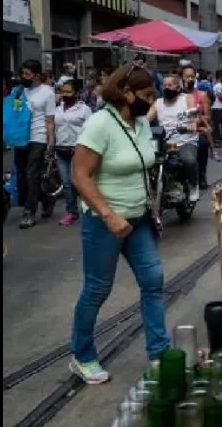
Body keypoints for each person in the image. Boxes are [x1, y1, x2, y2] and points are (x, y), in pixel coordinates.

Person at [69, 62, 170, 384]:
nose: (151, 100)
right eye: (146, 94)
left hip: (137, 219)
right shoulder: (100, 124)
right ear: (125, 93)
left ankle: (160, 352)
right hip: (105, 222)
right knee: (97, 289)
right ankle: (82, 356)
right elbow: (79, 177)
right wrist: (109, 215)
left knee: (153, 280)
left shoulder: (140, 122)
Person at [14, 59, 57, 229]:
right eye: (22, 73)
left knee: (32, 174)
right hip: (21, 137)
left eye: (27, 74)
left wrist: (50, 143)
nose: (23, 77)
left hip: (38, 137)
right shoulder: (20, 91)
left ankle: (29, 212)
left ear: (37, 75)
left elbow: (50, 120)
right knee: (24, 175)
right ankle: (47, 199)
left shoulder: (47, 92)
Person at [147, 74, 202, 203]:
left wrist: (191, 124)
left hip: (184, 141)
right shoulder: (158, 103)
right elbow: (146, 119)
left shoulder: (187, 99)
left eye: (170, 85)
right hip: (165, 142)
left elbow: (194, 117)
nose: (167, 88)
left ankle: (194, 186)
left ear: (178, 87)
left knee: (189, 160)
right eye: (164, 85)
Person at [54, 80, 93, 226]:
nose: (65, 95)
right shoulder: (57, 108)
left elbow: (90, 131)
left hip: (77, 150)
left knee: (77, 182)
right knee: (66, 183)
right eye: (63, 91)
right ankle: (71, 212)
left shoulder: (84, 110)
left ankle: (88, 208)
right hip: (60, 148)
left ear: (76, 93)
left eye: (68, 92)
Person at [180, 65, 218, 188]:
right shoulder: (177, 96)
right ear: (181, 78)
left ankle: (201, 175)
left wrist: (197, 121)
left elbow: (207, 116)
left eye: (192, 76)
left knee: (202, 144)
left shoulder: (202, 95)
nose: (190, 79)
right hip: (179, 131)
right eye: (187, 76)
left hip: (197, 131)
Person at [211, 71, 222, 145]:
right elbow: (219, 95)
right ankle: (218, 140)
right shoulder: (220, 85)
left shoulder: (214, 85)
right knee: (220, 125)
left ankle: (218, 139)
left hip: (215, 107)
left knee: (216, 124)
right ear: (220, 76)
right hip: (219, 107)